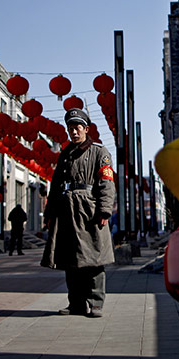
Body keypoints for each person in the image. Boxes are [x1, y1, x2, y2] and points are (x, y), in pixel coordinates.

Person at [40, 108, 115, 318]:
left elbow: (106, 183)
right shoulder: (65, 154)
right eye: (70, 128)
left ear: (86, 129)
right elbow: (55, 186)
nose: (73, 132)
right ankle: (76, 303)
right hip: (66, 212)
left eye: (77, 128)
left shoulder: (100, 152)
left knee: (94, 259)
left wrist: (105, 210)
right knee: (69, 260)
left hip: (89, 211)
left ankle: (96, 302)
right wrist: (49, 213)